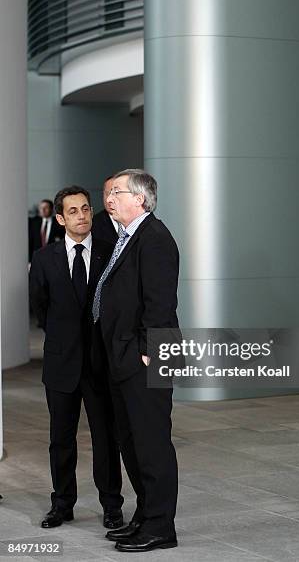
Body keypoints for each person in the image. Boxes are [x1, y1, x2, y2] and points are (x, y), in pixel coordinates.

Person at [92, 169, 180, 552]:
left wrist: (148, 351)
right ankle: (146, 516)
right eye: (108, 192)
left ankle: (161, 527)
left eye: (117, 192)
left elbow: (160, 302)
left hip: (147, 356)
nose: (109, 198)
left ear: (139, 199)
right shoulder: (127, 237)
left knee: (152, 443)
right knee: (132, 441)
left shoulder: (155, 238)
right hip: (126, 355)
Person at [29, 186, 124, 530]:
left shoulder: (109, 252)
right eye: (73, 211)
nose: (82, 215)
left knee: (105, 439)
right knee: (61, 440)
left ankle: (112, 505)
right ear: (59, 219)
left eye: (85, 208)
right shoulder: (44, 259)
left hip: (100, 365)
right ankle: (62, 504)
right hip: (60, 364)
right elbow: (40, 308)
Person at [91, 176, 118, 246]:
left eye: (115, 194)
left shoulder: (138, 221)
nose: (109, 199)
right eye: (107, 194)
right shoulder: (92, 225)